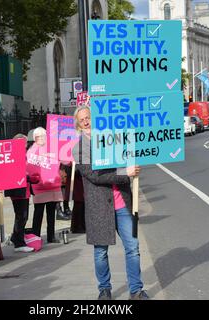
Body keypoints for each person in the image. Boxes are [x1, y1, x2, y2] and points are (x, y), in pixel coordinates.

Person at [72, 106, 148, 300]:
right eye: (83, 120)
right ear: (78, 125)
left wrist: (132, 163)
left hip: (122, 202)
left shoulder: (112, 137)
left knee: (133, 247)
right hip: (99, 207)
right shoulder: (78, 148)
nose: (87, 121)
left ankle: (136, 290)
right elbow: (95, 176)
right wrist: (125, 173)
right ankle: (104, 290)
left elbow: (126, 158)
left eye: (89, 117)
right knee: (100, 252)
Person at [4, 133, 39, 253]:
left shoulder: (21, 154)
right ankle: (19, 243)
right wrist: (29, 178)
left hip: (24, 189)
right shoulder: (13, 155)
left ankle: (16, 237)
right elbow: (16, 173)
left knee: (22, 216)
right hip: (18, 190)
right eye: (23, 143)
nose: (25, 145)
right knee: (22, 216)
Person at [28, 127, 63, 244]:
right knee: (38, 212)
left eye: (43, 136)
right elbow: (29, 167)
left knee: (51, 212)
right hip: (40, 186)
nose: (41, 138)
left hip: (52, 186)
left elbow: (60, 161)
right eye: (38, 136)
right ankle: (36, 236)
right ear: (35, 138)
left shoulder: (52, 149)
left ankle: (51, 235)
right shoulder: (32, 151)